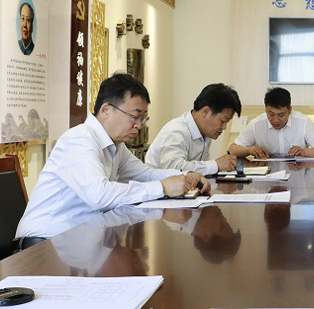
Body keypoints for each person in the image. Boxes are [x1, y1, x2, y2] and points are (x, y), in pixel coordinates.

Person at [15, 73, 210, 244]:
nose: (139, 125)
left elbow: (146, 174)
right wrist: (162, 188)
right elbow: (99, 195)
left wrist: (188, 176)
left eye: (143, 118)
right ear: (106, 110)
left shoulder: (116, 145)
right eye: (134, 116)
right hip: (45, 243)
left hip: (80, 241)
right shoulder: (79, 140)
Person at [146, 83, 241, 175]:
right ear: (206, 112)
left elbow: (204, 168)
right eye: (223, 121)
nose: (224, 127)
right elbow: (174, 168)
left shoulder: (205, 134)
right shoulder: (176, 131)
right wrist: (216, 165)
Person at [228, 87, 314, 158]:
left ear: (290, 110)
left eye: (281, 115)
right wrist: (249, 150)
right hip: (266, 177)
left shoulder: (302, 122)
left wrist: (305, 152)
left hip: (297, 174)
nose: (276, 120)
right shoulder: (257, 124)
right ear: (265, 109)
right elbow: (232, 149)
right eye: (271, 114)